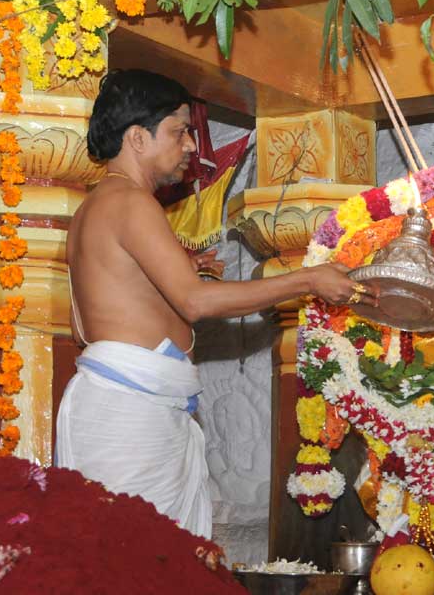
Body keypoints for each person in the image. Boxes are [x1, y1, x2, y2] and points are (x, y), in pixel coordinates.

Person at [56, 69, 375, 539]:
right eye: (179, 131)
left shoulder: (97, 204)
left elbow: (90, 320)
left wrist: (178, 277)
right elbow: (197, 302)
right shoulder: (130, 202)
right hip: (130, 412)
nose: (190, 146)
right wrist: (307, 279)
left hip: (125, 403)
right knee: (138, 563)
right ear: (138, 138)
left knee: (145, 563)